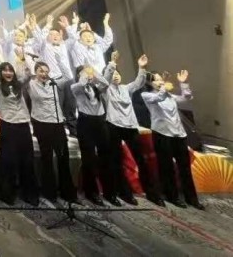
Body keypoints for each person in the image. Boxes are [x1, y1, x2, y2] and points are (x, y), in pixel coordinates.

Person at [102, 52, 162, 206]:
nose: (116, 76)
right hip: (113, 126)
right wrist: (112, 64)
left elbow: (139, 82)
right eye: (113, 74)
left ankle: (152, 193)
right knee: (117, 161)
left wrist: (141, 67)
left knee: (141, 159)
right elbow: (105, 79)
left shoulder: (126, 88)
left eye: (117, 74)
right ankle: (124, 193)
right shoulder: (105, 89)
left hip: (130, 126)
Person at [0, 49, 38, 206]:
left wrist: (23, 58)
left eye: (10, 70)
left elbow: (29, 74)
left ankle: (29, 193)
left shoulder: (19, 85)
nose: (8, 73)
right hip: (7, 125)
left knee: (27, 160)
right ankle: (8, 194)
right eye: (5, 70)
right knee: (8, 161)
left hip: (23, 124)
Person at [141, 70, 203, 210]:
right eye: (156, 80)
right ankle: (172, 196)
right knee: (167, 168)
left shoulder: (170, 96)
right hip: (162, 134)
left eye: (160, 79)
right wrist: (164, 85)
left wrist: (183, 83)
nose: (159, 82)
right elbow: (159, 97)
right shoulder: (147, 95)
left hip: (179, 134)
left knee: (185, 168)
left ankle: (192, 198)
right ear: (149, 83)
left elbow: (186, 98)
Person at [27, 61, 77, 203]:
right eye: (41, 71)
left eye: (46, 71)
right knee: (47, 158)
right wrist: (25, 60)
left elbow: (68, 76)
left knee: (63, 157)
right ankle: (49, 192)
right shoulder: (31, 84)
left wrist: (59, 60)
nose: (44, 74)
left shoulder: (54, 83)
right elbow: (23, 76)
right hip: (41, 123)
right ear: (36, 72)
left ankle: (68, 192)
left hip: (57, 122)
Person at [71, 66, 116, 206]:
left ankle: (110, 192)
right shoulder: (76, 88)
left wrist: (94, 73)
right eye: (83, 73)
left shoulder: (97, 87)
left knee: (106, 157)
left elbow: (105, 83)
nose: (87, 74)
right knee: (89, 159)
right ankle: (91, 192)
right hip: (85, 123)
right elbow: (81, 84)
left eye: (88, 72)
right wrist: (84, 75)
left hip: (100, 122)